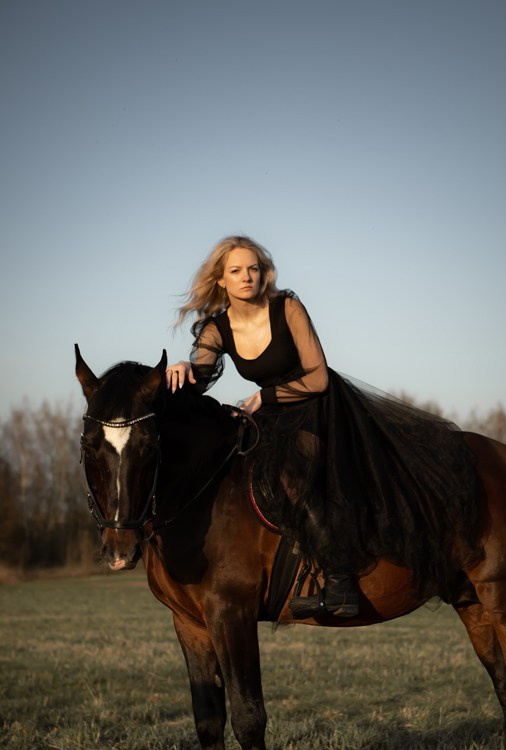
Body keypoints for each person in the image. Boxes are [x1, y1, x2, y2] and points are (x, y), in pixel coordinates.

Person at [168, 235, 480, 618]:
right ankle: (293, 571)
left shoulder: (287, 307)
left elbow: (318, 378)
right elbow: (199, 378)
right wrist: (183, 368)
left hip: (320, 406)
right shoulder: (216, 329)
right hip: (274, 414)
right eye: (236, 271)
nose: (247, 277)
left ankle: (339, 581)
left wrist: (264, 397)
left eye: (253, 268)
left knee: (295, 475)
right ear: (221, 280)